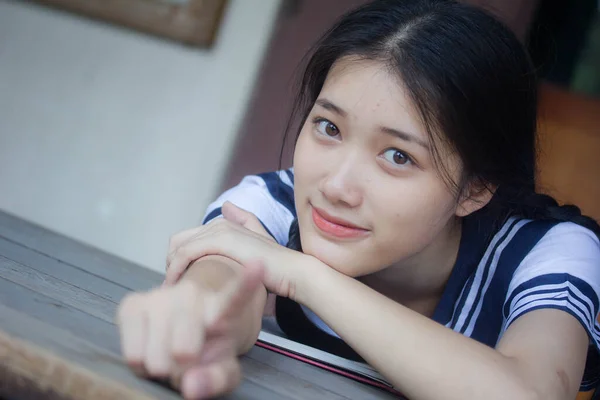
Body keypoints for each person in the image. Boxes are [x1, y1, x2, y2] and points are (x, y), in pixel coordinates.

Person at [116, 1, 600, 399]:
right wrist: (197, 326)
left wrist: (301, 275)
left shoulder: (549, 251)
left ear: (475, 188)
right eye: (329, 128)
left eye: (397, 156)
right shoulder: (271, 201)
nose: (336, 187)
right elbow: (220, 290)